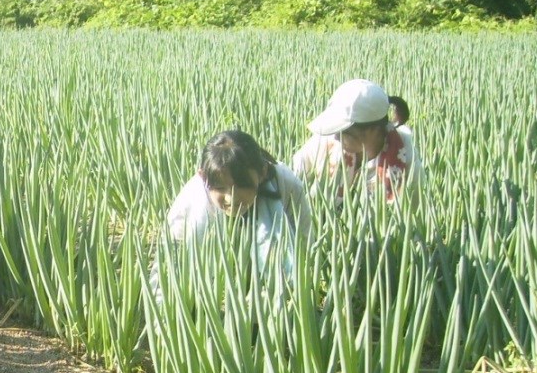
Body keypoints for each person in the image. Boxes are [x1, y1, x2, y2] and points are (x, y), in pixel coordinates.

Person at [166, 129, 312, 261]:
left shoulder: (286, 185)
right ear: (203, 177)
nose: (231, 198)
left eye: (242, 186)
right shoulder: (192, 202)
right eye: (220, 188)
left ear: (262, 173)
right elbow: (169, 261)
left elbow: (305, 242)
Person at [291, 79, 420, 201]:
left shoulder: (405, 154)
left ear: (374, 130)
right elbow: (292, 176)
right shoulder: (326, 140)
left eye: (345, 132)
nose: (336, 137)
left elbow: (416, 209)